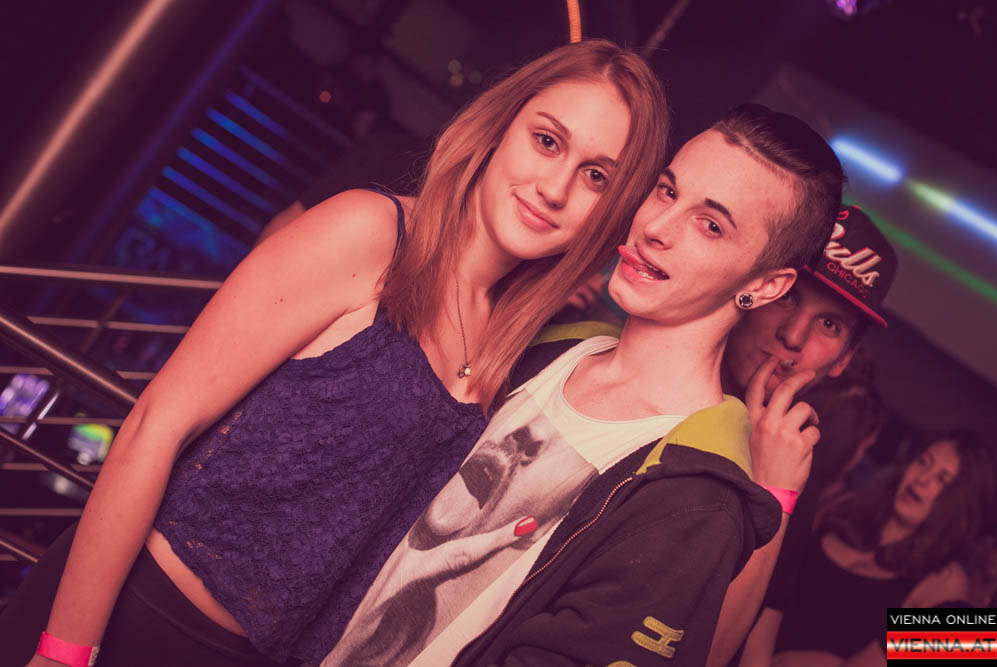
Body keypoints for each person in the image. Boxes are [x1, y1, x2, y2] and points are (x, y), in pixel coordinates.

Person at [0, 39, 670, 667]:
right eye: (546, 141)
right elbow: (156, 424)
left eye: (595, 176)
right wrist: (64, 651)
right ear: (500, 127)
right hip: (132, 614)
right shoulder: (371, 232)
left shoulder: (507, 337)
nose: (555, 187)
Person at [320, 103, 846, 666]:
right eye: (667, 191)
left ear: (765, 285)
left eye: (711, 225)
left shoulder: (696, 502)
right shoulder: (545, 343)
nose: (656, 228)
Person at [707, 205, 900, 665]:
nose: (793, 337)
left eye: (829, 324)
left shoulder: (959, 600)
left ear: (843, 359)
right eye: (789, 296)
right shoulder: (849, 518)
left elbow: (751, 642)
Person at [741, 430, 995, 667]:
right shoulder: (847, 508)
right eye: (923, 462)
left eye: (942, 480)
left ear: (961, 504)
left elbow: (946, 647)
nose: (922, 478)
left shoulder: (946, 582)